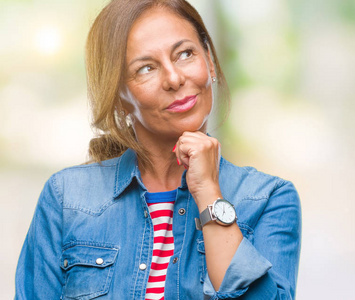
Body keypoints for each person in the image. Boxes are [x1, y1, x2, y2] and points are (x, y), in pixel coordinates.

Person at [15, 0, 301, 299]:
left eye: (185, 54)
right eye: (146, 68)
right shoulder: (66, 198)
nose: (175, 79)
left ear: (210, 62)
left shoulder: (269, 199)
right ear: (119, 97)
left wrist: (207, 192)